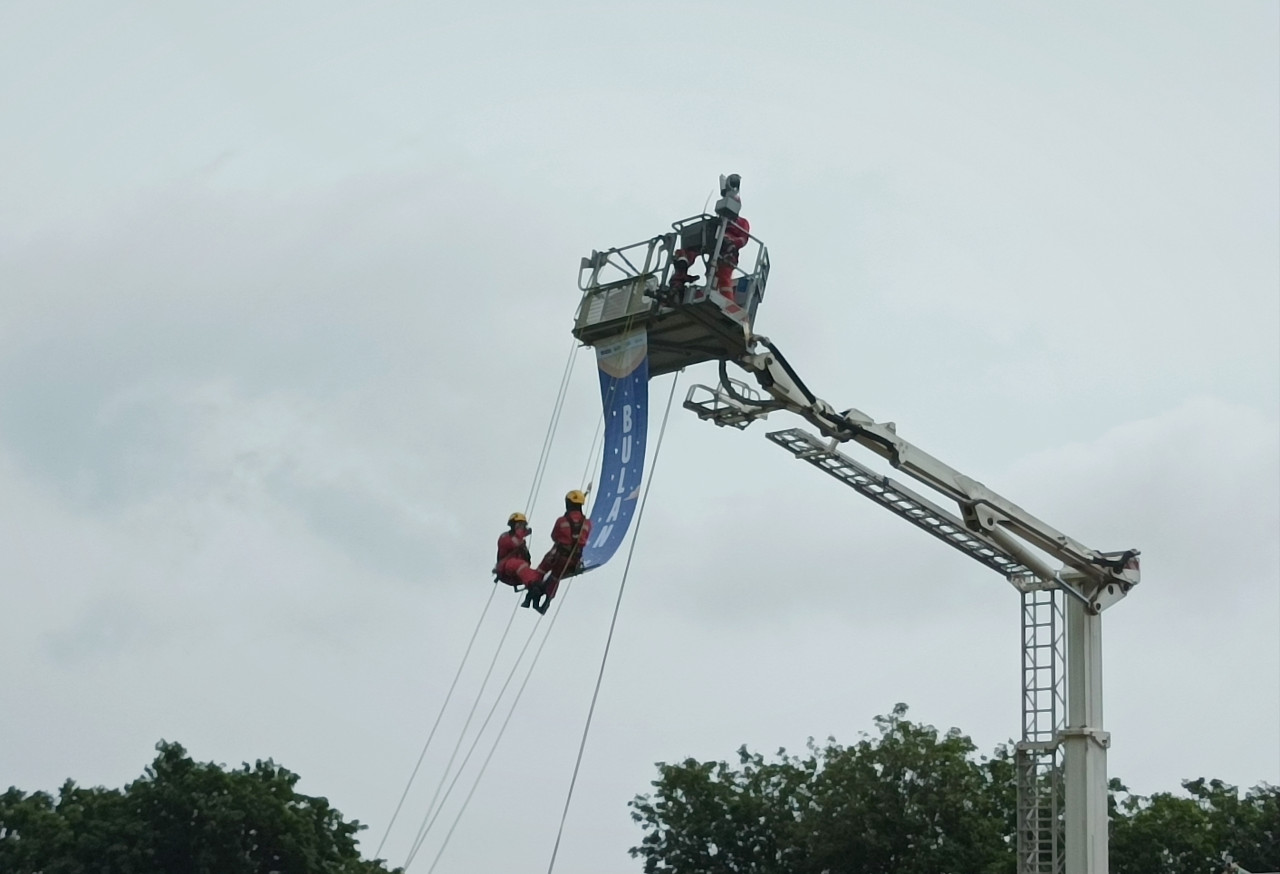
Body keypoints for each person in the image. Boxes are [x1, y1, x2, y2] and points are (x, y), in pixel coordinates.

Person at [529, 489, 593, 614]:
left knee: (543, 568)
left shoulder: (562, 521)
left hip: (559, 557)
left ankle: (535, 587)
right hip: (574, 560)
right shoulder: (587, 523)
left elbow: (554, 536)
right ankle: (547, 601)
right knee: (555, 577)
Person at [493, 512, 544, 591]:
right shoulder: (505, 536)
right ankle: (532, 583)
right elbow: (512, 543)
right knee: (520, 564)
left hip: (519, 573)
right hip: (505, 568)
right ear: (513, 525)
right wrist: (522, 532)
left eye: (523, 525)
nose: (522, 527)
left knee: (535, 572)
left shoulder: (521, 542)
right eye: (520, 524)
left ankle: (536, 586)